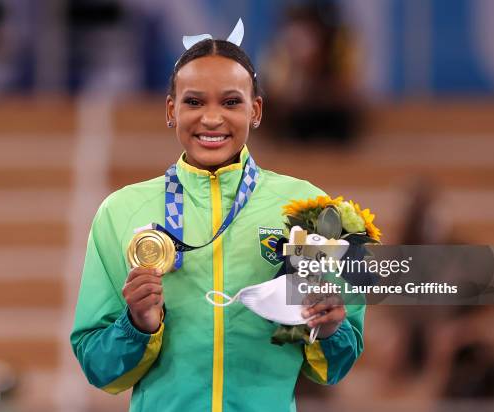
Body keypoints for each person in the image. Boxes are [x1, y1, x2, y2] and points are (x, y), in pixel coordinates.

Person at [70, 21, 365, 412]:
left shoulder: (310, 209)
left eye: (230, 102)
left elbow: (336, 364)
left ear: (255, 110)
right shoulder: (120, 211)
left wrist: (327, 328)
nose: (211, 119)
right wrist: (138, 325)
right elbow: (98, 367)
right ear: (171, 110)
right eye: (194, 102)